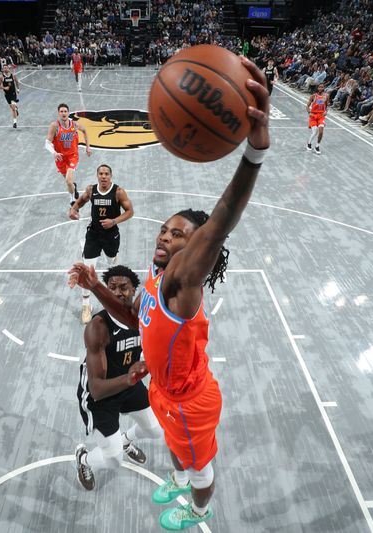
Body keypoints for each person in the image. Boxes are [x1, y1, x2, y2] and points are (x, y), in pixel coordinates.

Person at [68, 56, 269, 531]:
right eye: (164, 229)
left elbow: (220, 220)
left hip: (189, 400)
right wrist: (96, 286)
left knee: (200, 466)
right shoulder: (155, 279)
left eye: (179, 235)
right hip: (161, 387)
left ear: (196, 250)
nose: (165, 236)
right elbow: (135, 317)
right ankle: (179, 477)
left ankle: (199, 505)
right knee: (177, 451)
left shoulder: (182, 282)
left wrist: (254, 154)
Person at [74, 265, 163, 491]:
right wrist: (130, 378)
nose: (117, 292)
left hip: (127, 382)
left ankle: (125, 440)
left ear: (135, 290)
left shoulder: (142, 317)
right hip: (99, 397)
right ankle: (84, 459)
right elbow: (96, 389)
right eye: (111, 287)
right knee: (114, 461)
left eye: (124, 287)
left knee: (156, 430)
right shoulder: (98, 327)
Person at [70, 164, 134, 323]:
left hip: (111, 234)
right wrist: (74, 208)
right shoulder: (91, 190)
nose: (104, 176)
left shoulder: (118, 192)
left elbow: (130, 211)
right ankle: (86, 306)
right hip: (93, 234)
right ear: (97, 175)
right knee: (87, 270)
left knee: (113, 268)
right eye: (101, 173)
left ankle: (114, 303)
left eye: (106, 174)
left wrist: (114, 221)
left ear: (110, 176)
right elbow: (82, 200)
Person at [45, 103, 92, 206]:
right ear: (58, 113)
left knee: (68, 181)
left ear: (68, 113)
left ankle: (72, 200)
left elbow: (84, 131)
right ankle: (74, 189)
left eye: (65, 111)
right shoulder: (55, 126)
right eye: (61, 111)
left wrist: (88, 147)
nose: (63, 113)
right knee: (68, 182)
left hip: (72, 156)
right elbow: (47, 143)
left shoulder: (74, 124)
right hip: (60, 157)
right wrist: (54, 152)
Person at [306, 83, 327, 155]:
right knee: (315, 132)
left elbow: (327, 106)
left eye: (322, 87)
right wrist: (309, 112)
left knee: (321, 131)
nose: (321, 88)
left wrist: (326, 111)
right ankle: (309, 143)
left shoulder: (326, 96)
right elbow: (307, 106)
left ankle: (317, 146)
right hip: (313, 116)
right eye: (319, 87)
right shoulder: (313, 96)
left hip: (321, 116)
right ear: (317, 88)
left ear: (324, 88)